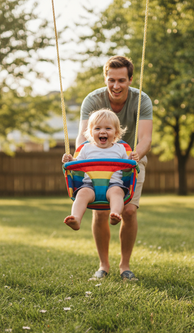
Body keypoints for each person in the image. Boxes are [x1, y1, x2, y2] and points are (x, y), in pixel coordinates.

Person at [76, 55, 153, 281]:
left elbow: (146, 137)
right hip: (97, 160)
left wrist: (135, 155)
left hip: (130, 159)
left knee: (128, 210)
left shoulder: (142, 100)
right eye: (111, 80)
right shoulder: (92, 100)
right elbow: (83, 135)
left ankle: (125, 266)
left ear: (130, 80)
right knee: (100, 211)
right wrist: (79, 156)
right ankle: (103, 265)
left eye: (121, 80)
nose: (116, 86)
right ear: (105, 79)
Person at [62, 109, 139, 230]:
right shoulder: (86, 148)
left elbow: (127, 169)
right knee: (81, 195)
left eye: (108, 128)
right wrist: (70, 160)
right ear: (91, 132)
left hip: (114, 184)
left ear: (116, 132)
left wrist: (131, 159)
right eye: (97, 128)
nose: (102, 131)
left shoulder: (120, 149)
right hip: (89, 185)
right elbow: (77, 165)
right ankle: (76, 218)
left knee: (117, 194)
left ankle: (115, 214)